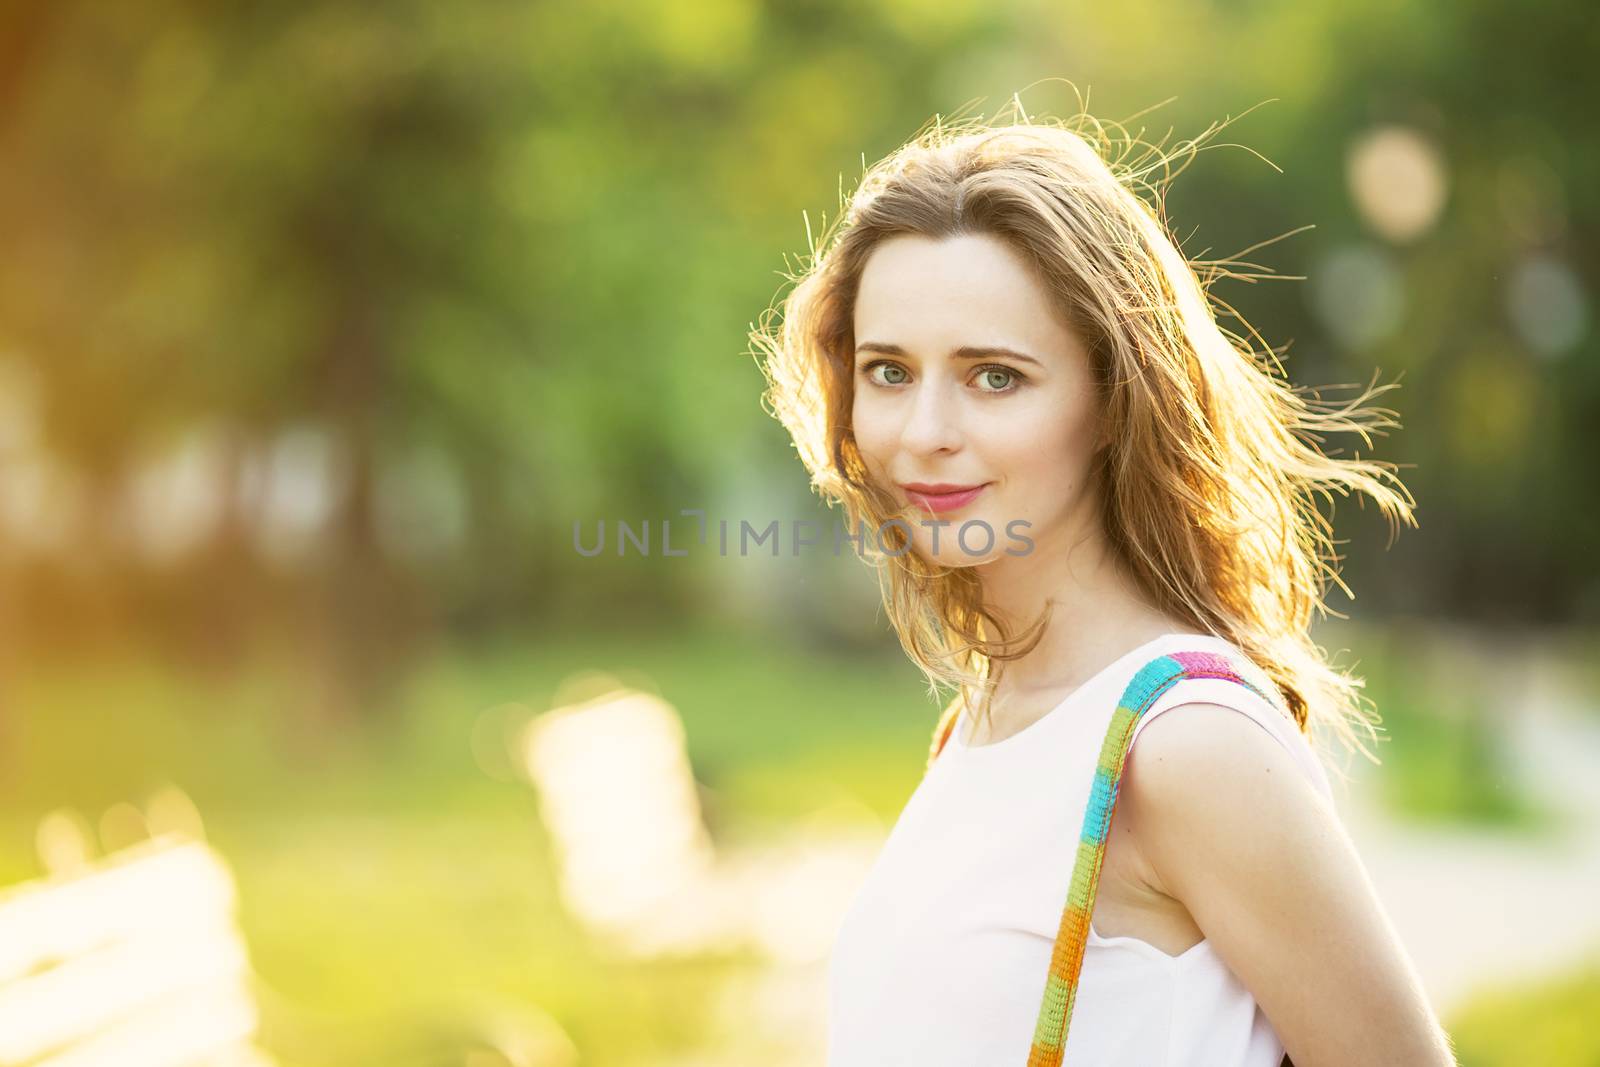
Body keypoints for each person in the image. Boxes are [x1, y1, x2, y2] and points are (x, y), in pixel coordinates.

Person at [751, 103, 1459, 1066]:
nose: (923, 431)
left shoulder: (1185, 742)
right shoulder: (984, 716)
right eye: (887, 371)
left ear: (1112, 399)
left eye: (994, 376)